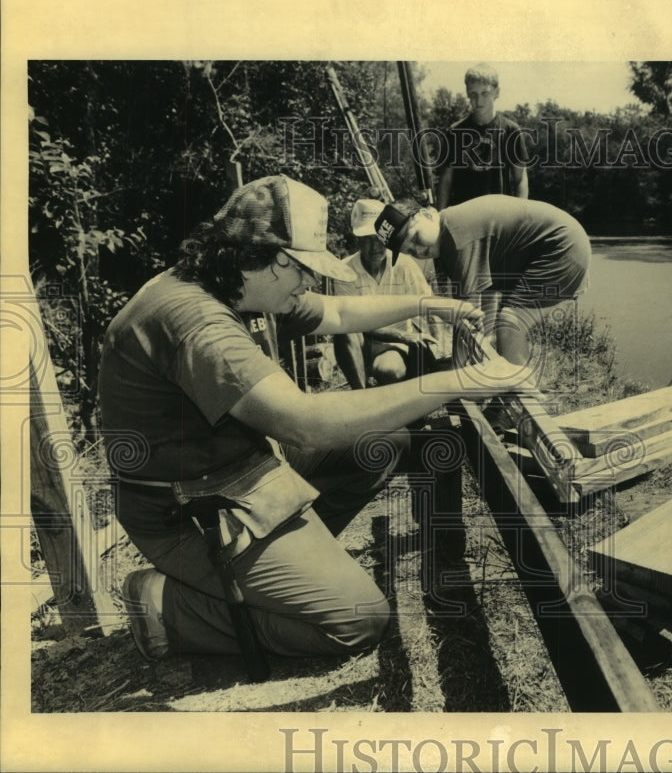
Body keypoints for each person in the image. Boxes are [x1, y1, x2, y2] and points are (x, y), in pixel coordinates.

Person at [99, 174, 530, 661]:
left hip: (242, 472)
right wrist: (462, 381)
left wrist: (429, 304)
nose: (311, 281)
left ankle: (287, 572)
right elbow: (308, 422)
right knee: (360, 620)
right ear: (277, 257)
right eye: (306, 269)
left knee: (385, 443)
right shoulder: (196, 322)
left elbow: (340, 313)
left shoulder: (238, 280)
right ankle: (170, 607)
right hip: (188, 509)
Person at [371, 194, 591, 371]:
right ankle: (505, 393)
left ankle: (520, 402)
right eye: (409, 250)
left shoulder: (456, 236)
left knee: (509, 324)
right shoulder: (442, 236)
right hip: (542, 250)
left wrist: (456, 372)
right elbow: (460, 305)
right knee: (501, 325)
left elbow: (465, 312)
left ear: (427, 214)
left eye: (416, 238)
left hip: (562, 246)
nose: (419, 250)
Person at [333, 199, 447, 389]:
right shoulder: (344, 269)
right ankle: (360, 397)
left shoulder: (405, 265)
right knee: (344, 331)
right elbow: (353, 322)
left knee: (390, 370)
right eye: (366, 239)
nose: (374, 247)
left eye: (379, 239)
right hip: (363, 343)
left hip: (396, 346)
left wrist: (441, 345)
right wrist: (404, 337)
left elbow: (430, 305)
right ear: (357, 240)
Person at [436, 63, 529, 209]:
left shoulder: (511, 130)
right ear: (467, 93)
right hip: (463, 215)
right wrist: (440, 216)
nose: (478, 101)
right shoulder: (454, 132)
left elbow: (520, 178)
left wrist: (521, 215)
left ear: (496, 92)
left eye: (485, 93)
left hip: (500, 216)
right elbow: (446, 180)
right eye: (473, 94)